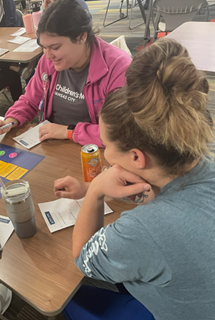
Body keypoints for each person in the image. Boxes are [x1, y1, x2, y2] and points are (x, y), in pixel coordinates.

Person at [64, 38, 215, 320]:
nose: (105, 153)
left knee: (67, 299)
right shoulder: (203, 160)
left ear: (137, 158)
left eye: (107, 147)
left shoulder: (143, 229)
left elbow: (83, 258)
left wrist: (95, 189)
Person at [0, 0, 131, 147]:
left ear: (81, 37)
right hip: (53, 143)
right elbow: (30, 100)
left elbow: (119, 133)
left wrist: (68, 132)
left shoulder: (118, 67)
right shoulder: (48, 61)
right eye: (43, 47)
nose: (48, 55)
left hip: (95, 149)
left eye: (55, 47)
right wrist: (10, 120)